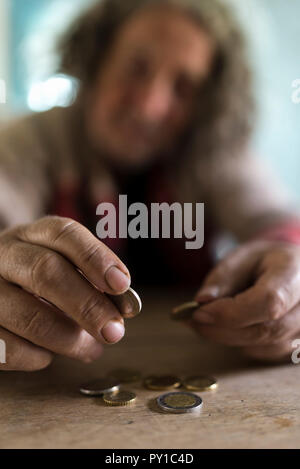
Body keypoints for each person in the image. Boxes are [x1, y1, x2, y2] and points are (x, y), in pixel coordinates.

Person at [1, 0, 300, 371]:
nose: (149, 106)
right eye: (136, 68)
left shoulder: (213, 149)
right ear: (95, 58)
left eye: (183, 86)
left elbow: (278, 223)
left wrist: (290, 269)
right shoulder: (28, 141)